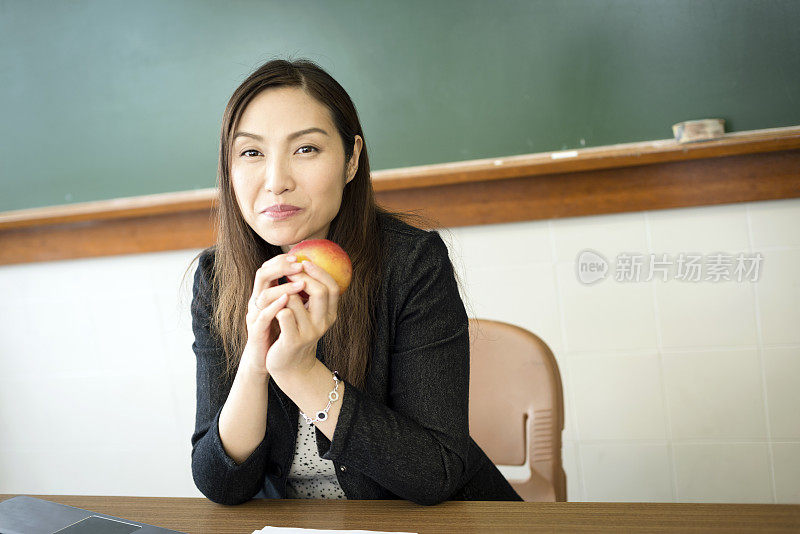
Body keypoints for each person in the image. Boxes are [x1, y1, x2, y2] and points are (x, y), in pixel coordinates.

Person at [187, 57, 523, 505]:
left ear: (351, 160)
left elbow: (435, 474)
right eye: (251, 152)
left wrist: (301, 371)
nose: (275, 181)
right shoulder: (217, 279)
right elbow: (219, 484)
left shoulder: (411, 263)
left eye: (305, 149)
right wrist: (257, 362)